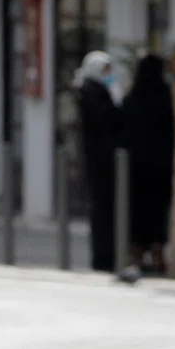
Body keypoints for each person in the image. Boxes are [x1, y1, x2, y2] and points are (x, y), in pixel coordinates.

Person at [120, 53, 174, 273]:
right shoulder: (167, 97)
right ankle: (158, 255)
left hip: (135, 165)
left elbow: (120, 130)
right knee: (158, 210)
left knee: (137, 210)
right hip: (161, 165)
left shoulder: (132, 98)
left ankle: (136, 255)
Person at [75, 51, 123, 272]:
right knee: (101, 208)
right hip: (98, 159)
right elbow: (106, 120)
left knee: (108, 208)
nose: (108, 75)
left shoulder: (97, 89)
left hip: (107, 158)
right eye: (104, 70)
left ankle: (109, 254)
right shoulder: (89, 91)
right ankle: (103, 257)